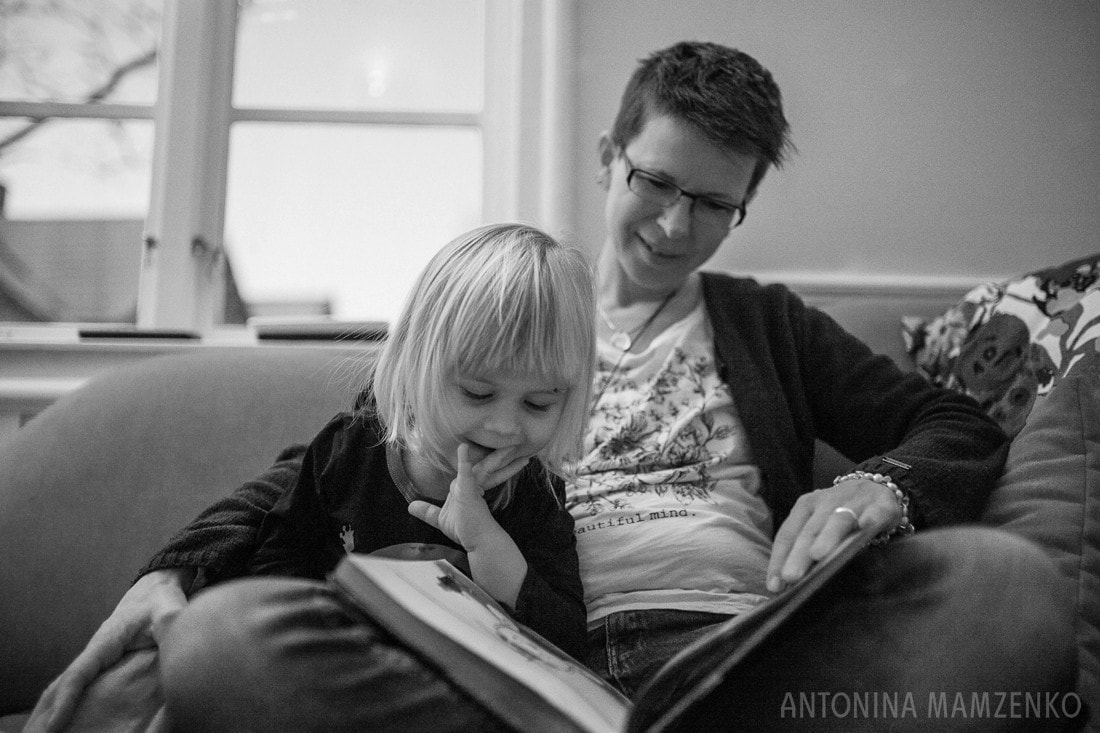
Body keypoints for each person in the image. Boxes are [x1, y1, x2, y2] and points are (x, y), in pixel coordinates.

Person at [33, 42, 1078, 732]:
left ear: (741, 209)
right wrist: (172, 567)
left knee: (1006, 589)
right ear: (607, 156)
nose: (674, 226)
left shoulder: (767, 324)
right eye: (655, 183)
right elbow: (317, 470)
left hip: (736, 659)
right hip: (513, 663)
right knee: (230, 643)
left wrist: (879, 488)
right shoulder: (509, 315)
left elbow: (950, 424)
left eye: (712, 205)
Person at [28, 222, 597, 731]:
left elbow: (564, 639)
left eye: (539, 404)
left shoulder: (537, 496)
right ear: (415, 365)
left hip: (453, 692)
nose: (504, 426)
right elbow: (274, 559)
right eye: (477, 392)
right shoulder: (351, 452)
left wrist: (488, 543)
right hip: (335, 667)